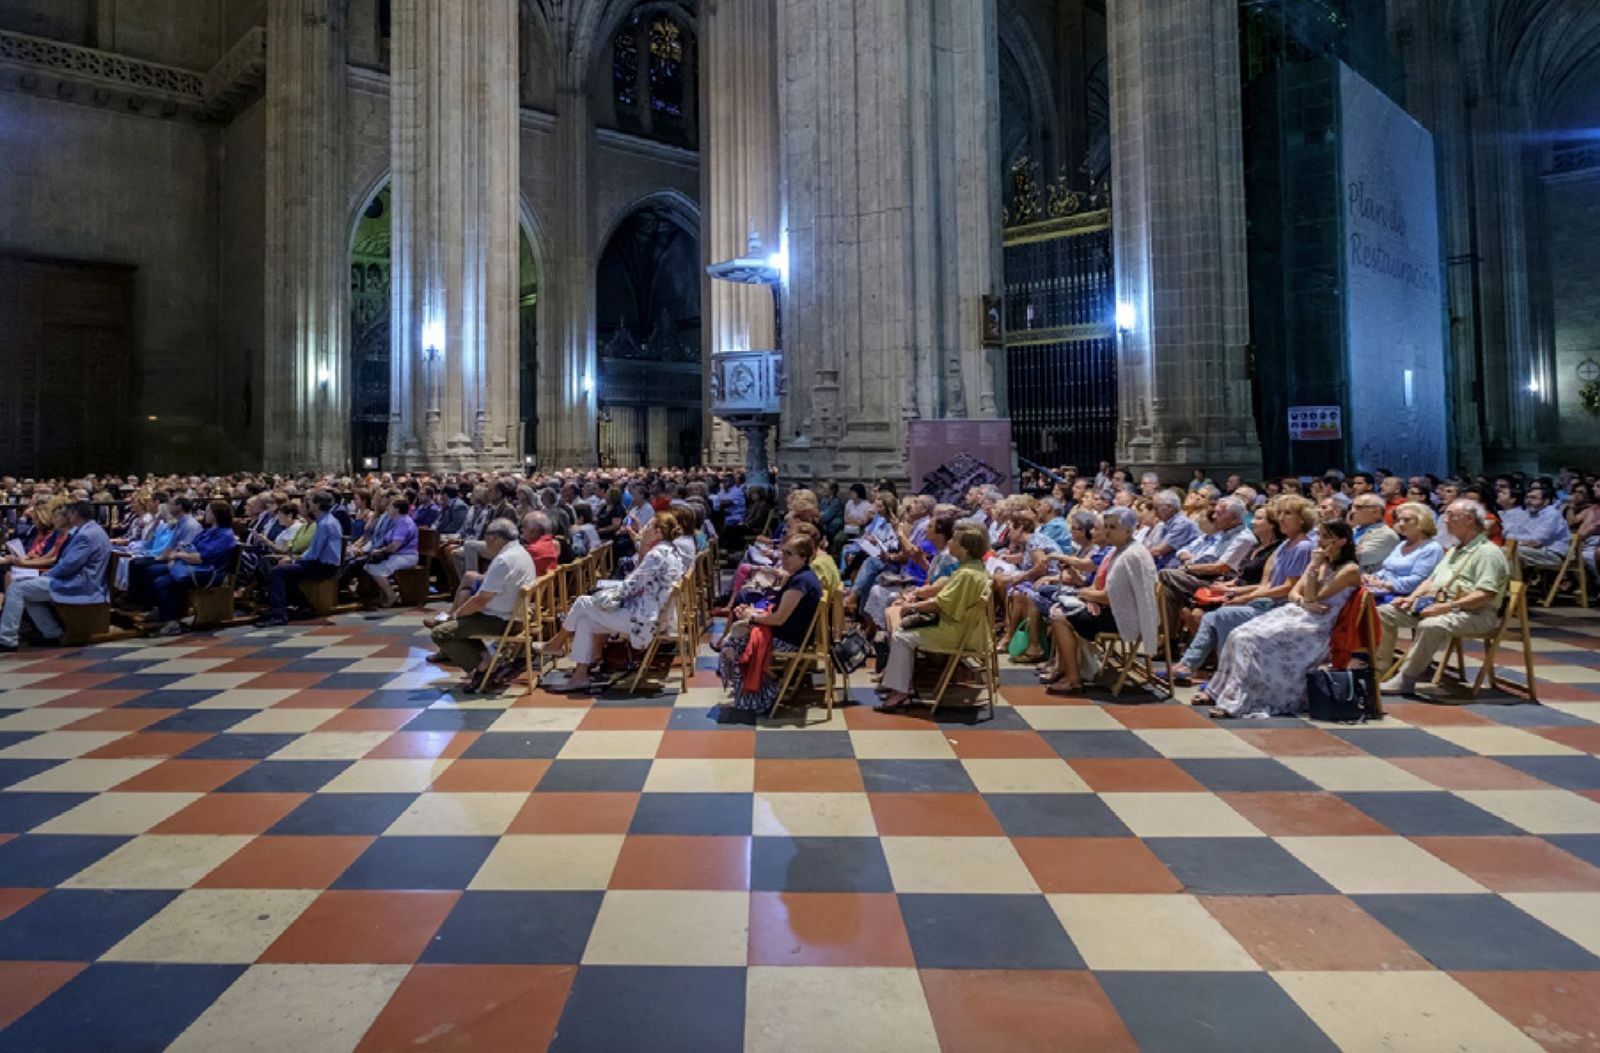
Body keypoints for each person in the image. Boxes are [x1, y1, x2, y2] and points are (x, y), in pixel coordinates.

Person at [1196, 519, 1362, 718]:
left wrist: (1314, 569)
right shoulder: (1319, 561)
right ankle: (1221, 690)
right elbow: (1294, 593)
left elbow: (1314, 595)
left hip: (1320, 622)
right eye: (1319, 536)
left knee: (1250, 640)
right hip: (1300, 611)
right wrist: (1303, 600)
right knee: (1238, 634)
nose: (1320, 541)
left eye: (1326, 537)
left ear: (1341, 541)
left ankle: (1240, 700)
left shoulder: (1349, 570)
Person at [542, 512, 691, 694]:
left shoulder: (657, 555)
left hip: (643, 620)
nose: (644, 529)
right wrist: (642, 546)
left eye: (648, 527)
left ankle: (556, 644)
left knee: (582, 602)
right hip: (650, 613)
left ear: (658, 533)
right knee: (585, 619)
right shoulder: (669, 550)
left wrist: (604, 592)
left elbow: (630, 586)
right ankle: (579, 675)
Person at [1169, 496, 1314, 682]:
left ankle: (1225, 676)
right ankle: (1189, 665)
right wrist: (1239, 594)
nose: (1281, 518)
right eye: (1280, 514)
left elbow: (1288, 587)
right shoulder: (1286, 545)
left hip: (1281, 606)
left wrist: (1243, 597)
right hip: (1265, 600)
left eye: (1287, 514)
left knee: (1222, 615)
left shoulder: (1303, 547)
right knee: (1211, 616)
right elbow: (1266, 584)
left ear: (1301, 519)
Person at [1376, 499, 1511, 698]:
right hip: (1440, 605)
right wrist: (1410, 598)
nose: (1445, 521)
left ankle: (1406, 678)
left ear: (1469, 519)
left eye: (1450, 515)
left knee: (1431, 625)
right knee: (1384, 612)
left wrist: (1447, 607)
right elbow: (1431, 581)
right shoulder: (1456, 549)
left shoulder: (1487, 552)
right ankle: (1380, 669)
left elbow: (1485, 594)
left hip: (1475, 614)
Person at [874, 526, 993, 712]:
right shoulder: (976, 568)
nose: (950, 543)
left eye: (954, 541)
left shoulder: (966, 575)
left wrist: (911, 607)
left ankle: (900, 693)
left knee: (901, 637)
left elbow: (941, 604)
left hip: (956, 632)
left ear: (965, 549)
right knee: (903, 629)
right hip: (967, 628)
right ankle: (899, 684)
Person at [1044, 507, 1159, 695]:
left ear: (1129, 530)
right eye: (1105, 526)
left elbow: (1109, 597)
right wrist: (1087, 596)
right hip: (1114, 610)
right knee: (1060, 607)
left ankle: (1073, 680)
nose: (1107, 532)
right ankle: (1066, 670)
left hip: (1125, 618)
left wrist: (1082, 595)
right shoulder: (1119, 551)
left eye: (1113, 527)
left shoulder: (1130, 555)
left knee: (1059, 617)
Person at [717, 534, 824, 717]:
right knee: (735, 636)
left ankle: (764, 693)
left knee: (732, 646)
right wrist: (753, 612)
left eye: (789, 554)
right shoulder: (799, 576)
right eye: (783, 552)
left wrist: (752, 618)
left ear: (804, 557)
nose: (783, 558)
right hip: (785, 632)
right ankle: (759, 689)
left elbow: (778, 620)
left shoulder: (801, 583)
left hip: (788, 639)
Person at [429, 518, 539, 691]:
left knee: (440, 633)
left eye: (486, 536)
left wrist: (457, 615)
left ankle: (483, 666)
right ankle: (485, 660)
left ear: (496, 537)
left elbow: (481, 599)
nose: (484, 541)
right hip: (516, 615)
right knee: (458, 621)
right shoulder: (520, 551)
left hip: (500, 620)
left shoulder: (504, 560)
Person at [0, 501, 111, 652]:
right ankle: (52, 633)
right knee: (25, 590)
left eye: (70, 513)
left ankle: (7, 639)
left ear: (75, 515)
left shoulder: (86, 535)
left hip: (77, 584)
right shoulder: (93, 530)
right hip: (77, 579)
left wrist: (46, 575)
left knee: (16, 588)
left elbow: (68, 565)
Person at [145, 501, 238, 636]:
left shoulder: (224, 535)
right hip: (192, 566)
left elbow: (202, 558)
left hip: (208, 573)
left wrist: (178, 556)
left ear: (216, 514)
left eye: (208, 511)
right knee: (152, 570)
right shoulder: (208, 531)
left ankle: (172, 621)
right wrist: (175, 558)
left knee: (162, 582)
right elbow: (189, 546)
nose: (205, 514)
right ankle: (164, 608)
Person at [259, 491, 344, 625]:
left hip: (323, 566)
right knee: (285, 572)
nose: (307, 504)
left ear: (317, 505)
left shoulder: (325, 524)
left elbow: (314, 554)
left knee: (278, 572)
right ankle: (302, 606)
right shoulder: (326, 521)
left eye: (311, 501)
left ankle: (279, 614)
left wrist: (293, 559)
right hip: (319, 564)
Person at [1363, 501, 1443, 602]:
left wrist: (1385, 584)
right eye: (1399, 520)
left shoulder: (1432, 548)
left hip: (1405, 597)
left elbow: (1419, 581)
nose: (1400, 524)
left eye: (1407, 520)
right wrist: (1373, 577)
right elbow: (1388, 570)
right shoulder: (1402, 544)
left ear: (1422, 522)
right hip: (1384, 590)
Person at [1504, 483, 1571, 571]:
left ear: (1546, 501)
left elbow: (1536, 541)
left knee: (1508, 551)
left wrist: (1514, 543)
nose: (1528, 501)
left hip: (1552, 555)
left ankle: (1510, 583)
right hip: (1532, 552)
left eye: (1533, 498)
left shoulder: (1552, 514)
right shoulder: (1527, 513)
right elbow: (1512, 533)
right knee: (1498, 550)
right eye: (1527, 497)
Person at [1350, 494, 1401, 572]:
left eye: (1358, 507)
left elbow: (1358, 557)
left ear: (1375, 512)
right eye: (1352, 506)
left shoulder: (1386, 535)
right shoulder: (1354, 530)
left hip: (1369, 581)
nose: (1352, 511)